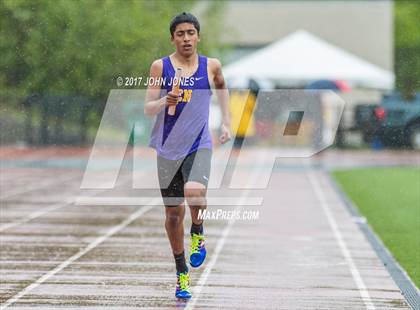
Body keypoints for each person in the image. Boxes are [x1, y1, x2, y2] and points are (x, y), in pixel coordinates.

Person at [144, 12, 231, 299]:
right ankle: (182, 272)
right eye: (180, 33)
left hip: (199, 144)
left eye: (190, 33)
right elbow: (148, 108)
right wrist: (164, 100)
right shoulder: (161, 67)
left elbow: (222, 87)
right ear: (173, 38)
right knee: (172, 214)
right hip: (167, 149)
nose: (186, 38)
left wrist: (227, 122)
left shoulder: (211, 66)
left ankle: (198, 231)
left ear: (198, 36)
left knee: (195, 192)